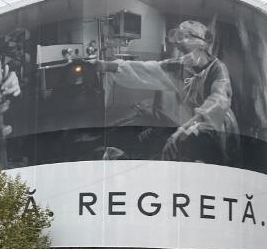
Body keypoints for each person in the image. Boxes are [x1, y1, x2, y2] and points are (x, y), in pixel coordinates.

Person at [92, 20, 239, 166]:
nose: (182, 55)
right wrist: (108, 66)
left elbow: (218, 102)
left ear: (202, 45)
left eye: (186, 50)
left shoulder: (217, 69)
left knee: (215, 164)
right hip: (189, 126)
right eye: (180, 50)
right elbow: (147, 69)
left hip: (215, 124)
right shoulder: (180, 66)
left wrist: (183, 131)